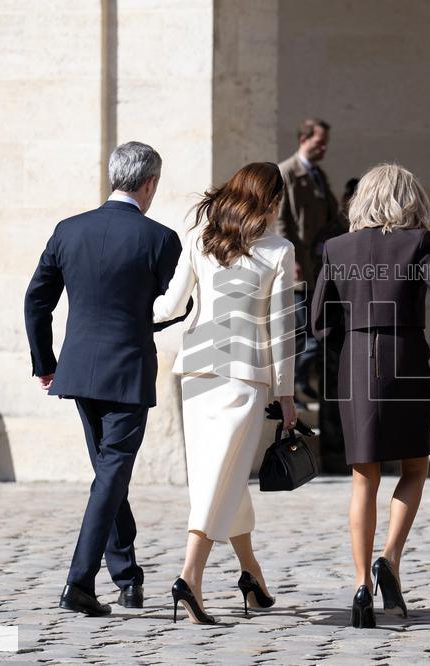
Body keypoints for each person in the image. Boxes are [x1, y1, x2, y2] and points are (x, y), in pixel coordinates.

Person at [311, 163, 430, 629]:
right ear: (409, 200)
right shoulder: (417, 242)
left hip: (355, 364)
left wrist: (352, 336)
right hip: (406, 363)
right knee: (415, 467)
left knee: (362, 478)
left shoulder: (336, 247)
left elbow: (317, 324)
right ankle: (389, 559)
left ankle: (359, 585)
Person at [24, 141, 189, 617]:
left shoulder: (69, 229)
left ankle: (127, 577)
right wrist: (149, 322)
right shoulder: (160, 238)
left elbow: (37, 300)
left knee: (107, 474)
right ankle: (79, 582)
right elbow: (171, 308)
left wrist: (45, 360)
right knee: (112, 473)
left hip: (77, 369)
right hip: (128, 368)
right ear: (151, 182)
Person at [152, 162, 297, 625]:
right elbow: (281, 329)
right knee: (220, 474)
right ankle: (189, 577)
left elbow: (170, 306)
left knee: (220, 473)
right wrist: (288, 393)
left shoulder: (200, 240)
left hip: (196, 369)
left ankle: (251, 575)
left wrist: (117, 304)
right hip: (242, 374)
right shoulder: (278, 250)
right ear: (270, 201)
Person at [276, 118, 339, 404]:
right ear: (304, 139)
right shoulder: (287, 173)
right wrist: (290, 259)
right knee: (305, 333)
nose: (324, 148)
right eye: (319, 142)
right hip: (300, 267)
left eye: (326, 143)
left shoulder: (319, 175)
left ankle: (303, 382)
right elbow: (281, 220)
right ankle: (298, 383)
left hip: (320, 266)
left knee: (317, 330)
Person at [313, 177, 360, 474]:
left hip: (359, 325)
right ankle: (334, 454)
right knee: (333, 391)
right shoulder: (332, 235)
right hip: (335, 325)